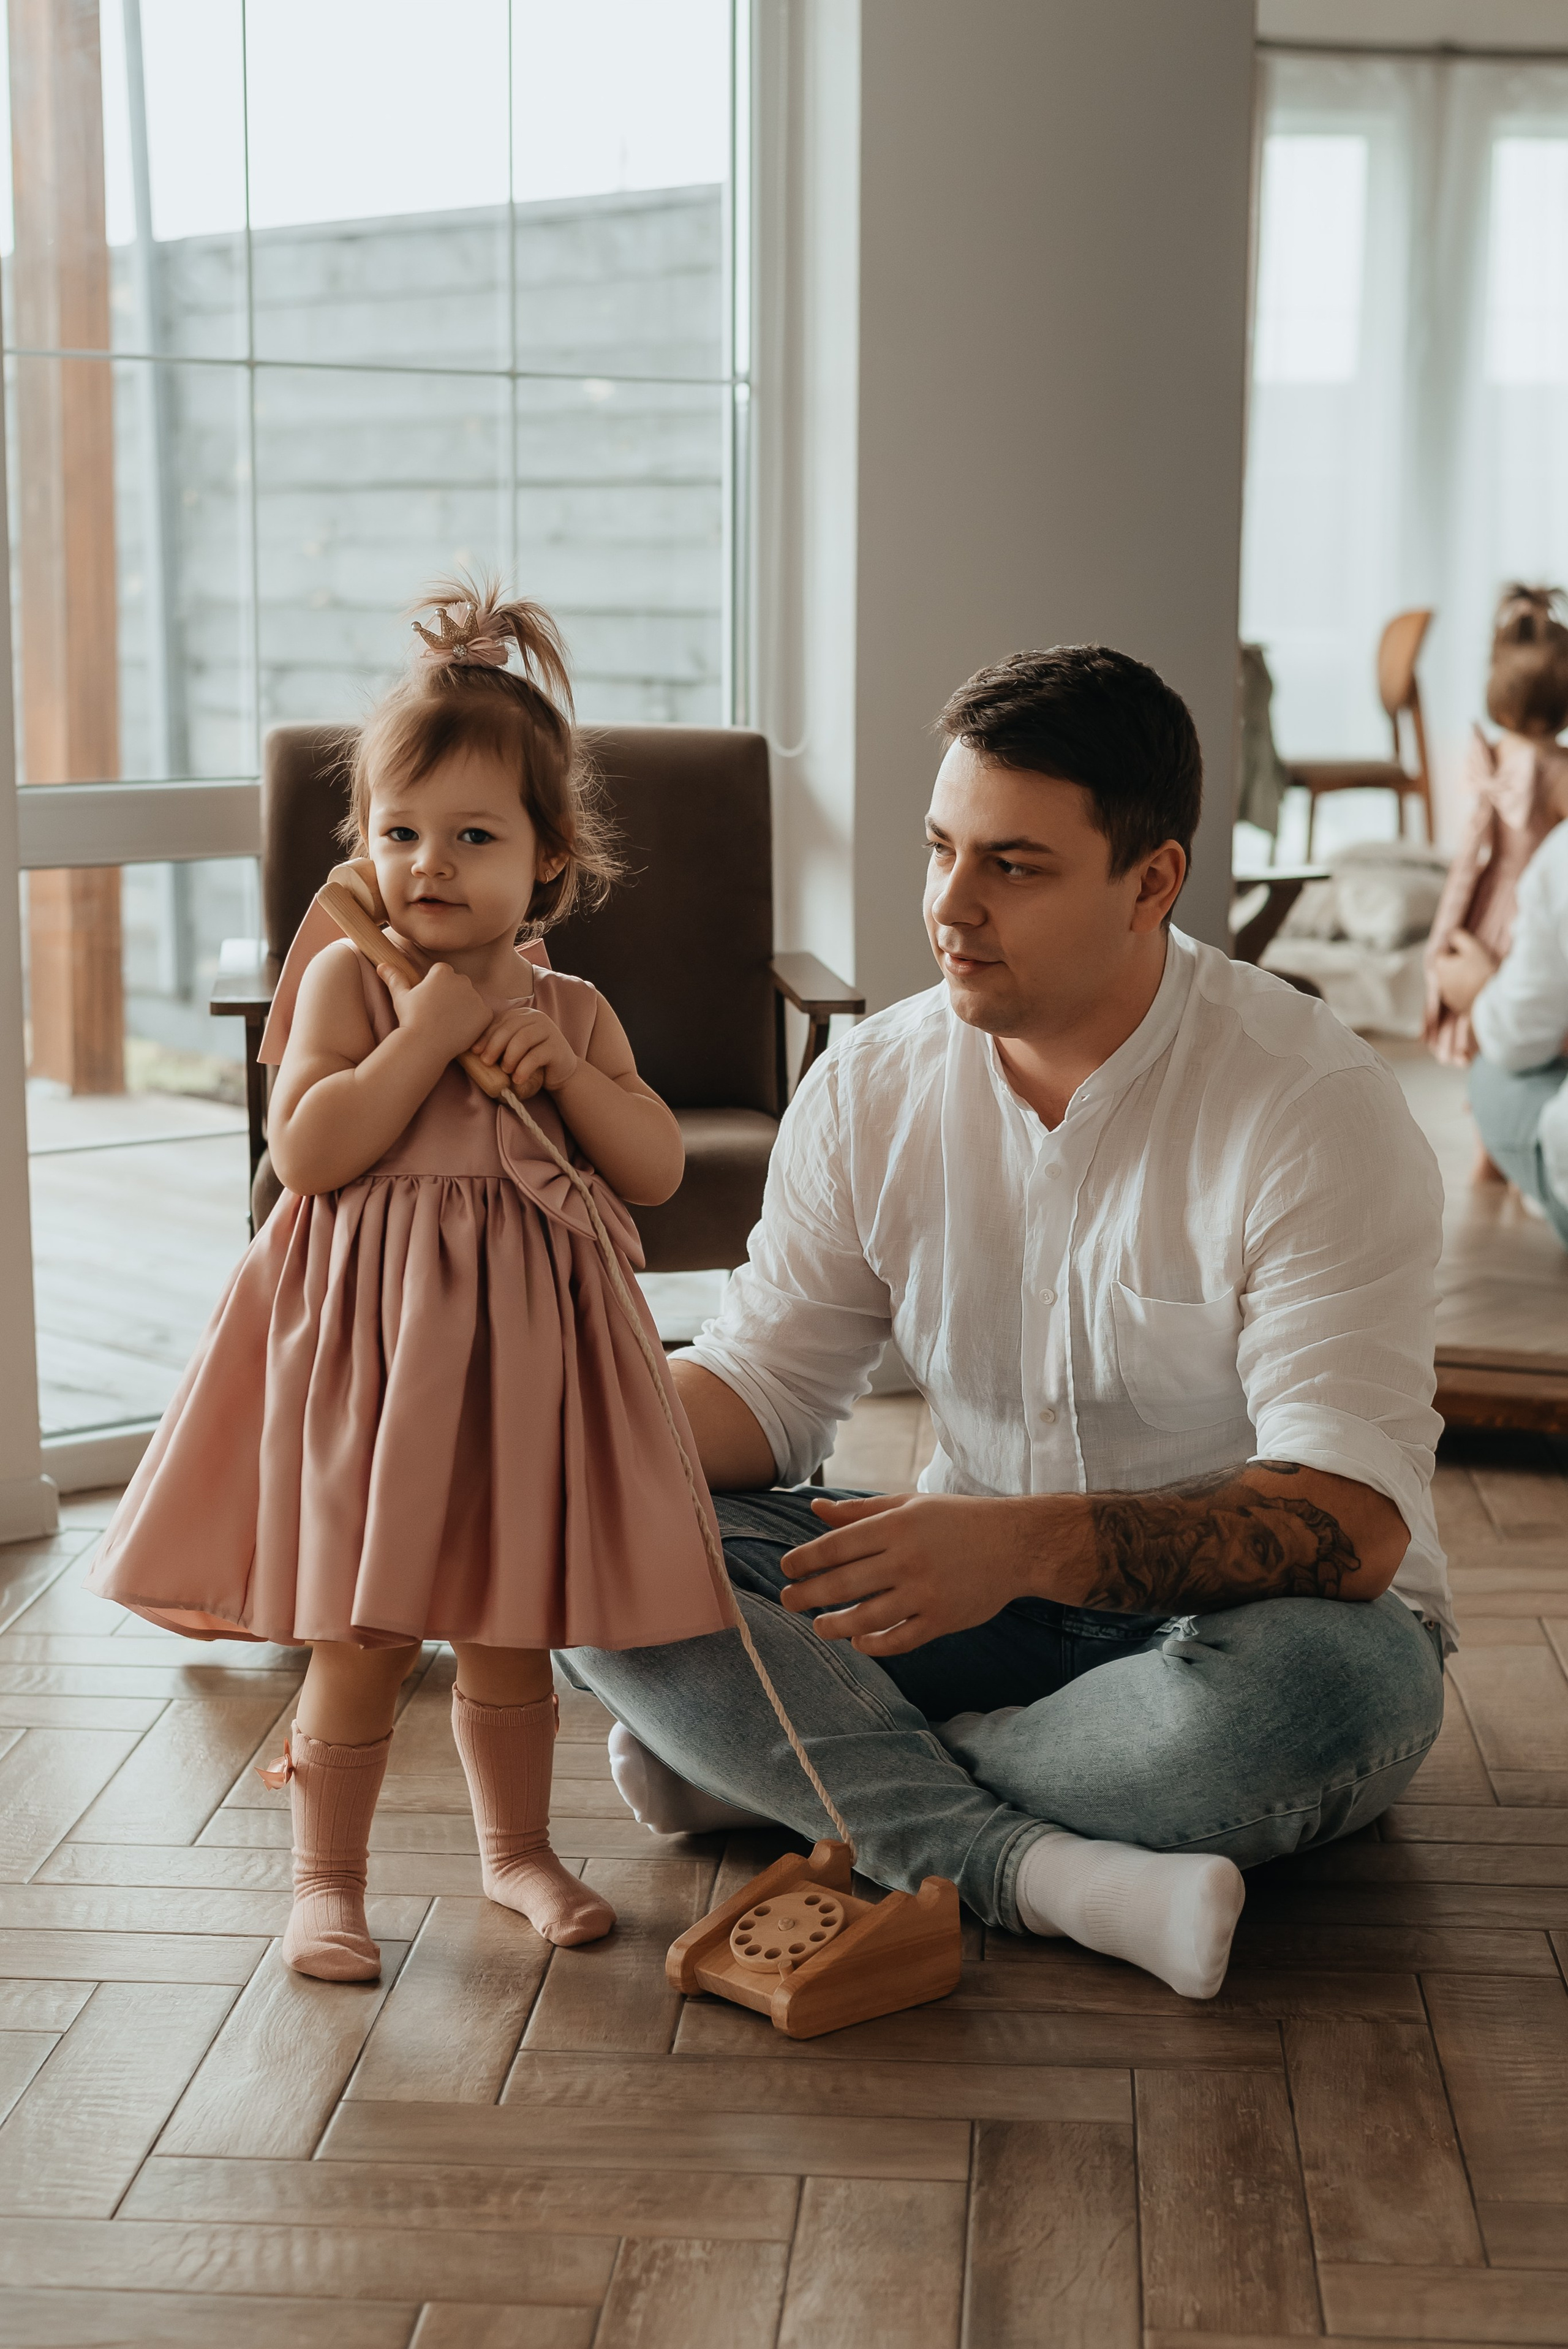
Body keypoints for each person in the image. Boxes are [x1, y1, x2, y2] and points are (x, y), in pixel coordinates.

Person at [569, 644, 1452, 2002]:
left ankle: (801, 1772)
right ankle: (1025, 1860)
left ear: (1150, 880)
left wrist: (1024, 1543)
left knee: (1314, 1706)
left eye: (1013, 868)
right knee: (593, 1548)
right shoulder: (871, 1085)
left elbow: (1350, 1522)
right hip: (951, 1587)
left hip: (1244, 1636)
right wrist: (571, 1449)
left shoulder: (1305, 1106)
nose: (948, 908)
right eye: (940, 851)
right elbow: (763, 1383)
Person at [89, 579, 733, 1977]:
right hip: (370, 1356)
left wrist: (560, 1069)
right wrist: (429, 1027)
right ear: (361, 845)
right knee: (365, 1625)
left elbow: (653, 1165)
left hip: (513, 1362)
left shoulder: (567, 1007)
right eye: (397, 833)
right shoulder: (345, 984)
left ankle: (518, 1851)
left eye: (472, 836)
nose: (427, 863)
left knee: (507, 1627)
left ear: (548, 857)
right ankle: (326, 1881)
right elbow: (309, 1152)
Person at [1427, 586, 1568, 1068]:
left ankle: (1484, 1113)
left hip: (1490, 898)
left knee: (1484, 1011)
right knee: (1519, 999)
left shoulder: (1492, 754)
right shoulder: (1558, 770)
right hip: (1529, 906)